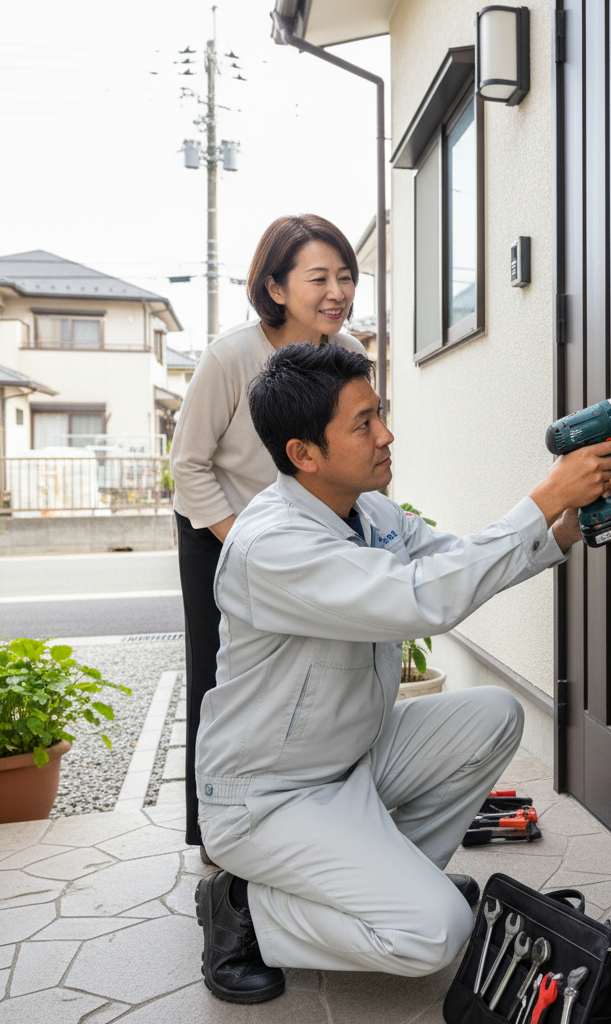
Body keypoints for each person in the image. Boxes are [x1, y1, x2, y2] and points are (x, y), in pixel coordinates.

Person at [193, 342, 611, 1003]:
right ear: (303, 454)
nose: (386, 434)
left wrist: (562, 530)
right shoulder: (272, 546)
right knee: (438, 934)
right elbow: (418, 597)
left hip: (350, 759)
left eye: (381, 413)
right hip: (270, 796)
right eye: (363, 423)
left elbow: (451, 562)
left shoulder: (367, 511)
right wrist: (543, 495)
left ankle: (389, 885)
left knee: (493, 715)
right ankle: (245, 907)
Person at [170, 214, 368, 854]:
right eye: (319, 277)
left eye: (345, 275)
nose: (337, 290)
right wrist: (245, 546)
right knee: (223, 683)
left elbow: (352, 451)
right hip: (219, 533)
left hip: (304, 537)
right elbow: (188, 464)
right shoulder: (233, 356)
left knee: (315, 676)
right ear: (276, 288)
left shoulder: (352, 357)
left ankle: (310, 812)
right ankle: (214, 837)